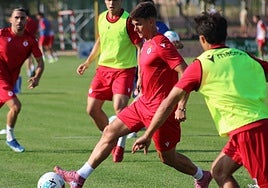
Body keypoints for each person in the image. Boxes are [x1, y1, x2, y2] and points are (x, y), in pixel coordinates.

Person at [54, 2, 211, 188]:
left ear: (151, 22)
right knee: (109, 132)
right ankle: (79, 177)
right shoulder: (145, 42)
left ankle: (201, 176)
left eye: (138, 24)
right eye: (133, 24)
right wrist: (141, 82)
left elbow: (185, 73)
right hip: (142, 104)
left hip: (161, 112)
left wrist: (181, 105)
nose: (134, 28)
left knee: (167, 158)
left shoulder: (162, 44)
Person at [133, 12, 268, 188]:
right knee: (219, 172)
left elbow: (168, 102)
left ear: (202, 39)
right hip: (248, 128)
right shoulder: (243, 55)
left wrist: (148, 134)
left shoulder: (201, 64)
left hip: (249, 131)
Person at [76, 0, 142, 163]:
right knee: (92, 109)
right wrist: (88, 62)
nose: (111, 2)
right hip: (103, 70)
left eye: (115, 0)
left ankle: (120, 143)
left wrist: (140, 75)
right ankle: (110, 139)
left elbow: (140, 46)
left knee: (120, 108)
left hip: (124, 70)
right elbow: (100, 41)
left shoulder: (128, 20)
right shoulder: (101, 17)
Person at [0, 7, 45, 152]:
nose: (19, 21)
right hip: (1, 78)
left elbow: (40, 62)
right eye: (17, 17)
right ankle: (10, 138)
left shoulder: (30, 40)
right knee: (15, 106)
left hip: (11, 80)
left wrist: (37, 77)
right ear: (11, 19)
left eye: (23, 18)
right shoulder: (1, 34)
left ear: (27, 20)